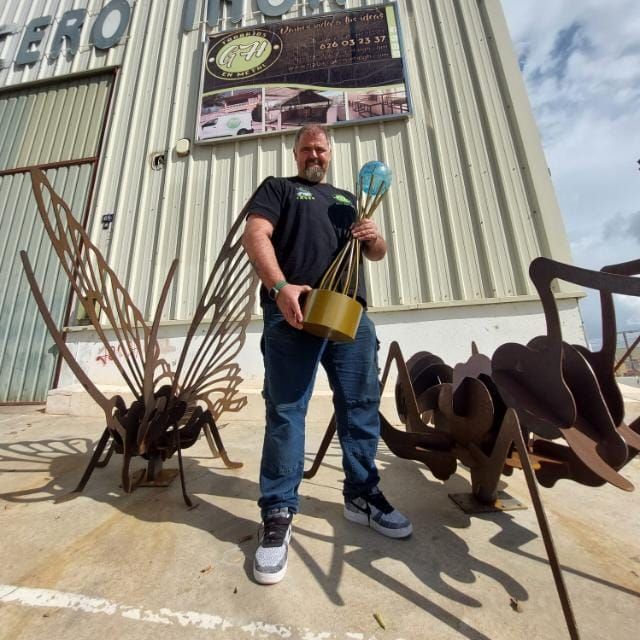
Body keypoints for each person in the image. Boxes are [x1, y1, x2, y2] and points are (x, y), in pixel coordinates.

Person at [242, 124, 412, 585]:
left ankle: (362, 495)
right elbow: (255, 235)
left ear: (330, 154)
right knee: (287, 409)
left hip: (350, 315)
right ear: (295, 153)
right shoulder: (278, 189)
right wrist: (278, 288)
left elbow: (375, 254)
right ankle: (278, 509)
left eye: (320, 148)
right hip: (293, 311)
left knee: (360, 406)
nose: (313, 154)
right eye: (306, 148)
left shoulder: (347, 198)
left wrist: (374, 235)